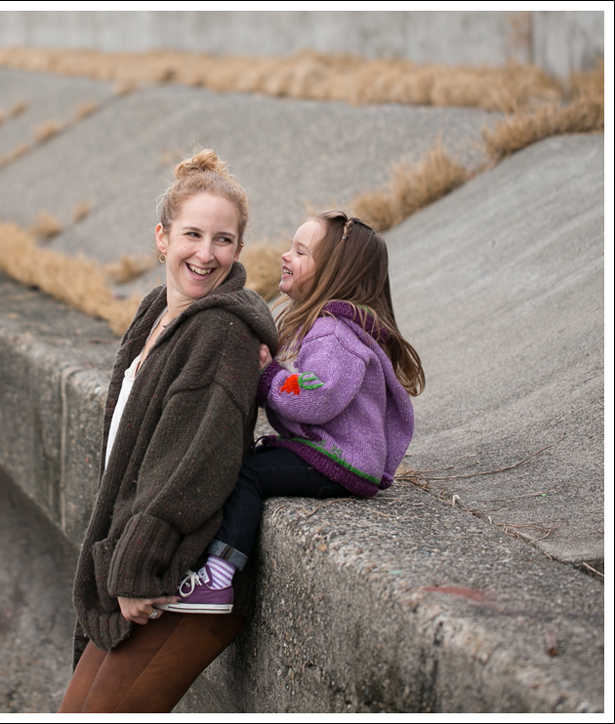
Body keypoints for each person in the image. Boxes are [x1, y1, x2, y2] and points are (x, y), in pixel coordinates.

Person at [58, 150, 278, 713]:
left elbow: (194, 462)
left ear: (239, 249)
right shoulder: (158, 312)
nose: (206, 254)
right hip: (143, 566)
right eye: (193, 235)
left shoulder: (222, 334)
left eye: (223, 240)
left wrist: (138, 564)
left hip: (175, 582)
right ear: (162, 237)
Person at [156, 209, 425, 614]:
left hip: (340, 460)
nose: (285, 256)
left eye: (300, 252)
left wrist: (268, 375)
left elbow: (315, 397)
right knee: (247, 463)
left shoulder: (334, 333)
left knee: (246, 474)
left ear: (336, 274)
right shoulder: (323, 326)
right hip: (328, 452)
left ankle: (218, 577)